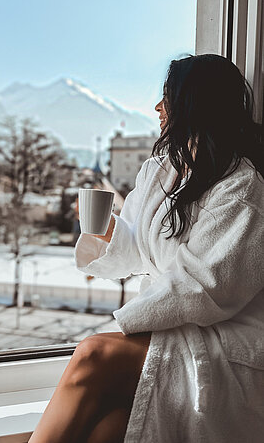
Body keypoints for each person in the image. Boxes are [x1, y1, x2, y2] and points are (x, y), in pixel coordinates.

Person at [29, 54, 264, 443]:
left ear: (193, 103)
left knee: (91, 354)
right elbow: (137, 247)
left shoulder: (241, 189)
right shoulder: (161, 170)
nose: (158, 107)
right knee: (107, 431)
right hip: (173, 326)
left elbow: (206, 289)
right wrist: (103, 229)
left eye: (167, 97)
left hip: (227, 343)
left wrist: (126, 324)